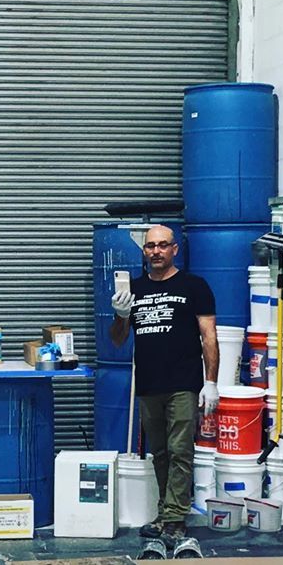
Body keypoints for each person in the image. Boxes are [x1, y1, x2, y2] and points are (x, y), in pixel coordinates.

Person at [109, 224, 219, 546]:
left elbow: (209, 336)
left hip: (183, 383)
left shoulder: (194, 286)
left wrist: (210, 382)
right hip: (148, 384)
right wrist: (120, 314)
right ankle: (165, 512)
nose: (155, 251)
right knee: (159, 453)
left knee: (180, 450)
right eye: (150, 246)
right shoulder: (135, 289)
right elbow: (117, 341)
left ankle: (174, 519)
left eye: (162, 245)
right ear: (144, 252)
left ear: (175, 250)